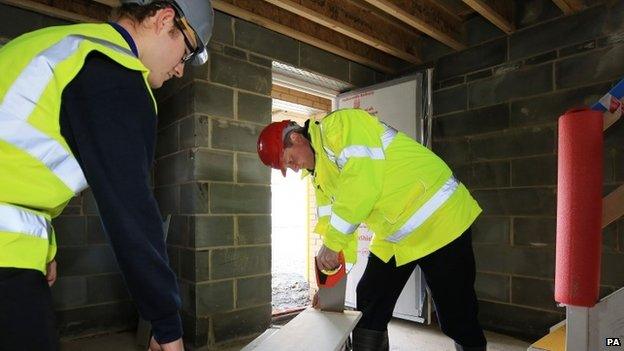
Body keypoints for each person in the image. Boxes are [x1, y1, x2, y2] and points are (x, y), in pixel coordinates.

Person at [0, 1, 213, 350]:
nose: (180, 71)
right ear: (164, 20)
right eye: (187, 52)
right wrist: (166, 324)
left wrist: (41, 245)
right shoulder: (113, 68)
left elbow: (15, 163)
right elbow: (129, 210)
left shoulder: (59, 47)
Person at [257, 109, 487, 351]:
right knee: (369, 298)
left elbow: (362, 186)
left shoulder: (339, 126)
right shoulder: (320, 177)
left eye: (290, 160)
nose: (294, 168)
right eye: (288, 167)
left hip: (440, 219)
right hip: (397, 233)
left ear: (295, 138)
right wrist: (329, 289)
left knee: (456, 314)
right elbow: (337, 228)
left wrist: (333, 243)